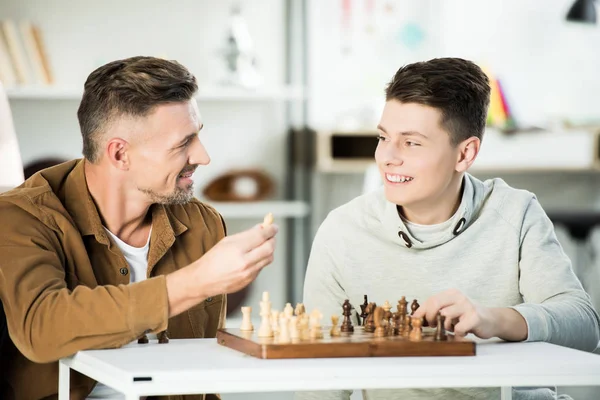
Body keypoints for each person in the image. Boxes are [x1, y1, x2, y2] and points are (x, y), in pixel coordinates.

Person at [297, 57, 600, 400]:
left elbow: (584, 325)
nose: (387, 157)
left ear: (465, 154)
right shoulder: (342, 231)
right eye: (383, 137)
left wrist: (494, 320)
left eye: (411, 143)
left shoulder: (515, 212)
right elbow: (320, 383)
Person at [0, 56, 278, 400]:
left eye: (198, 137)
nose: (203, 157)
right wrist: (195, 281)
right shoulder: (21, 216)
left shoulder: (202, 223)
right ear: (119, 155)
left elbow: (204, 378)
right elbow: (41, 328)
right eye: (182, 143)